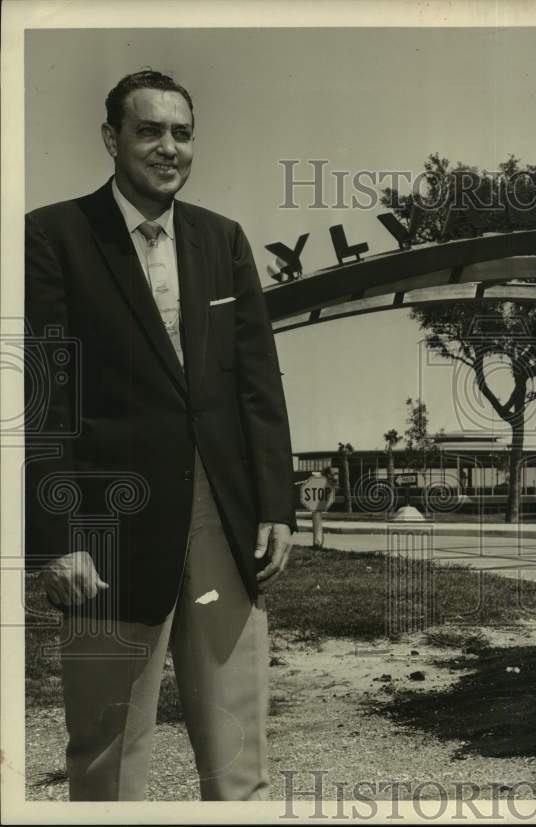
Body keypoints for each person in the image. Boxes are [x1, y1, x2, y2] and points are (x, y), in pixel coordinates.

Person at [24, 69, 296, 801]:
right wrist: (56, 537)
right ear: (112, 139)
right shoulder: (52, 237)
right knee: (108, 759)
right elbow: (41, 399)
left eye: (181, 133)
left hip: (221, 521)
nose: (168, 147)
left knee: (239, 755)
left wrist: (275, 504)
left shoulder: (223, 240)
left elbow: (257, 387)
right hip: (107, 530)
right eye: (149, 131)